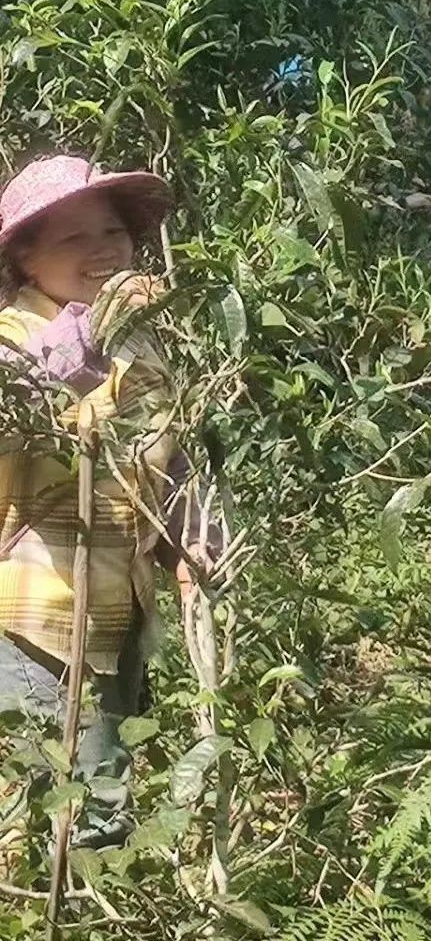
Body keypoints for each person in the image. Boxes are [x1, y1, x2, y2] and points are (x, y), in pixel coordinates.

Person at [0, 155, 217, 852]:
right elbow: (28, 402)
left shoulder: (142, 339)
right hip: (35, 614)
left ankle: (89, 901)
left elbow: (168, 449)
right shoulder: (13, 338)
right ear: (25, 258)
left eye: (113, 233)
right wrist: (88, 339)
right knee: (36, 796)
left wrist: (195, 535)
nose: (103, 251)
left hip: (120, 609)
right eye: (73, 239)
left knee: (103, 788)